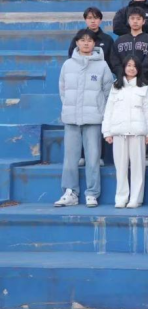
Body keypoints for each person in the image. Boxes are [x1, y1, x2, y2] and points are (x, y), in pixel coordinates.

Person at [55, 30, 114, 208]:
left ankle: (92, 193)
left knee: (93, 157)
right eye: (82, 40)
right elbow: (63, 90)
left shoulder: (102, 65)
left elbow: (108, 92)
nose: (86, 43)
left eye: (89, 40)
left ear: (94, 43)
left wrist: (100, 111)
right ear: (77, 43)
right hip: (71, 118)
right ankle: (70, 192)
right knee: (70, 158)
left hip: (93, 118)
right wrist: (70, 107)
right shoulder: (68, 65)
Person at [102, 55, 148, 208]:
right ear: (124, 67)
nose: (131, 68)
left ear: (138, 69)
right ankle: (121, 197)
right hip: (119, 131)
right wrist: (107, 131)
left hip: (138, 132)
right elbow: (109, 109)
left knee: (138, 167)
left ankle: (136, 199)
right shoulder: (116, 86)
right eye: (129, 65)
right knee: (121, 168)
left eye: (134, 66)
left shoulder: (144, 87)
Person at [111, 7, 148, 81]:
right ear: (128, 21)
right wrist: (123, 75)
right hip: (123, 81)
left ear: (143, 21)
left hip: (144, 82)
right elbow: (115, 62)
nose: (135, 21)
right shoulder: (119, 41)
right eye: (132, 18)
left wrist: (137, 75)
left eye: (138, 19)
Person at [68, 7, 115, 71]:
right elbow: (72, 56)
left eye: (96, 18)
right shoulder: (78, 38)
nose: (93, 21)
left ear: (100, 20)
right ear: (85, 20)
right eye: (89, 18)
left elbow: (112, 60)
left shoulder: (107, 39)